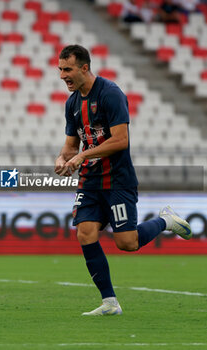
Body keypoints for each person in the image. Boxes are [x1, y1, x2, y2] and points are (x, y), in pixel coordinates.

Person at [55, 44, 192, 316]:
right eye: (60, 69)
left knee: (127, 243)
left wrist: (82, 156)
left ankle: (166, 220)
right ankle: (110, 302)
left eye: (67, 69)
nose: (62, 76)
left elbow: (120, 140)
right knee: (85, 233)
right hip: (91, 182)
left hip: (118, 179)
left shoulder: (110, 94)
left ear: (84, 67)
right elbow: (71, 146)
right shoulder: (72, 104)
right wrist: (62, 159)